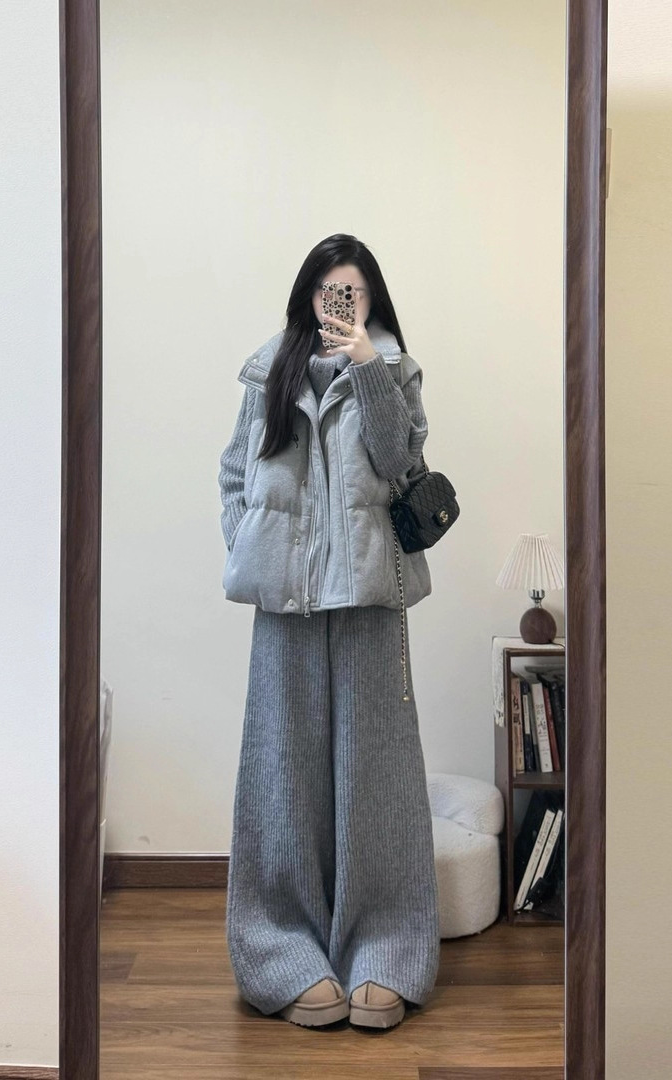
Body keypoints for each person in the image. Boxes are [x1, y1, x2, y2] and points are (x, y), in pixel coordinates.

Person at [218, 233, 440, 1030]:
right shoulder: (267, 371)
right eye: (328, 292)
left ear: (371, 302)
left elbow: (398, 463)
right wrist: (252, 545)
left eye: (354, 293)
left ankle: (387, 945)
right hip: (285, 602)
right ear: (307, 296)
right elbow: (235, 473)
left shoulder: (394, 371)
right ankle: (280, 948)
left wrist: (369, 368)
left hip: (371, 598)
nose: (339, 305)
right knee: (281, 771)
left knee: (379, 775)